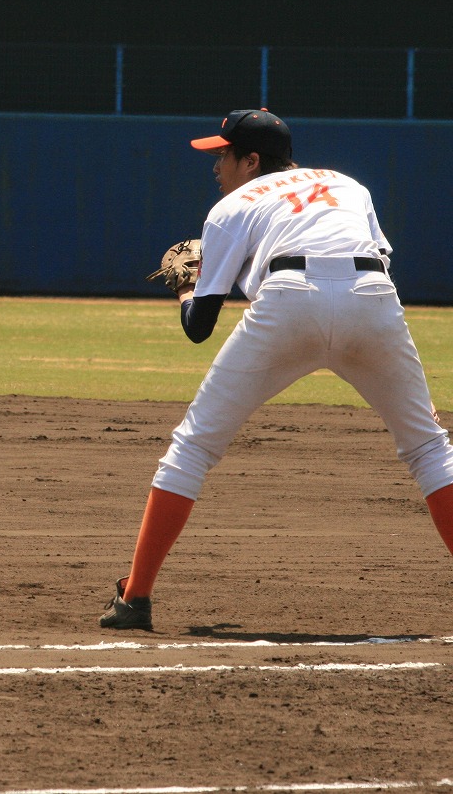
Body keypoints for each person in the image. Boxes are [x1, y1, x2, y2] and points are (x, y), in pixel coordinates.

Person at [101, 108, 453, 629]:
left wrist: (187, 287)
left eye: (223, 155)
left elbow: (199, 326)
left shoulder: (231, 207)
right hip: (372, 297)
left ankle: (135, 599)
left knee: (192, 448)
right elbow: (376, 256)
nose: (216, 166)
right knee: (428, 448)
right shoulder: (347, 184)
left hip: (290, 300)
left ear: (251, 161)